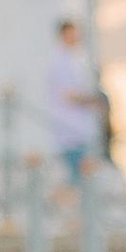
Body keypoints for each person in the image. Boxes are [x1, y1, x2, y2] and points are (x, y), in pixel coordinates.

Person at [45, 17, 103, 178]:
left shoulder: (74, 60)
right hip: (70, 130)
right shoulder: (59, 62)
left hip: (78, 130)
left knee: (82, 177)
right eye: (73, 34)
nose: (77, 38)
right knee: (76, 178)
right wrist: (93, 100)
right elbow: (67, 94)